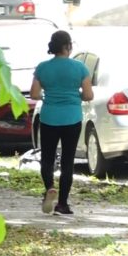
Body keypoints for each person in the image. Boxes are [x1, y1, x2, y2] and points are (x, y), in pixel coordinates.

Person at [31, 30, 94, 216]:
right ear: (68, 46)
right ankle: (63, 204)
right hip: (72, 118)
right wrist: (76, 95)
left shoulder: (42, 67)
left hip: (49, 117)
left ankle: (50, 187)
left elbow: (34, 94)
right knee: (68, 161)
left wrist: (46, 96)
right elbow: (89, 95)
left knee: (47, 158)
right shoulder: (80, 67)